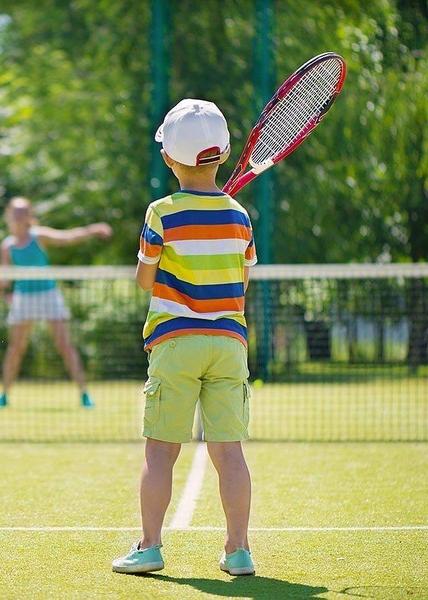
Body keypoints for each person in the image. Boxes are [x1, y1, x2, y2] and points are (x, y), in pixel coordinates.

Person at [112, 99, 257, 576]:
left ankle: (150, 545)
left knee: (160, 451)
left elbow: (144, 280)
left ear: (167, 158)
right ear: (225, 153)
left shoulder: (161, 212)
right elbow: (242, 283)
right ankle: (238, 550)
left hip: (175, 341)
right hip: (228, 344)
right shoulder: (239, 216)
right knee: (229, 453)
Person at [0, 196, 112, 409]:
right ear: (8, 215)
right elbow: (4, 282)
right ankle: (4, 396)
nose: (18, 216)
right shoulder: (6, 246)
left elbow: (68, 237)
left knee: (64, 345)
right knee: (15, 349)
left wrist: (92, 230)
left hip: (48, 295)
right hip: (23, 298)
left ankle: (84, 394)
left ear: (29, 215)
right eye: (15, 212)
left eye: (22, 212)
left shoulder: (39, 235)